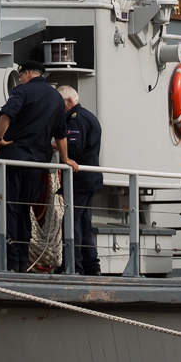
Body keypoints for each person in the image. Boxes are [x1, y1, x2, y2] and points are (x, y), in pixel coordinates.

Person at [0, 62, 70, 271]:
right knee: (24, 209)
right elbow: (61, 134)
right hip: (38, 164)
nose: (20, 79)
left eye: (20, 76)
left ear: (26, 74)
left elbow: (6, 115)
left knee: (8, 207)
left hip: (14, 159)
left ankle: (9, 261)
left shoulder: (22, 90)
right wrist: (65, 159)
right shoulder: (56, 98)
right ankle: (21, 259)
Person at [58, 83, 103, 275]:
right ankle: (91, 266)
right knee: (83, 223)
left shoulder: (75, 119)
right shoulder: (88, 116)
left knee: (71, 222)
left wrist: (56, 146)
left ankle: (73, 265)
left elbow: (74, 149)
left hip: (80, 180)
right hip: (89, 179)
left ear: (69, 101)